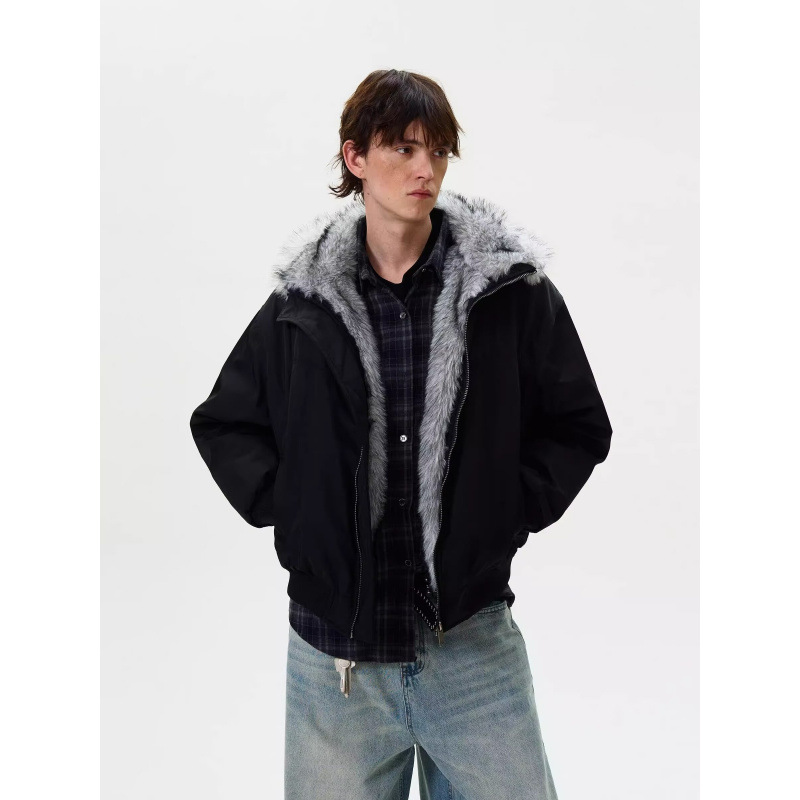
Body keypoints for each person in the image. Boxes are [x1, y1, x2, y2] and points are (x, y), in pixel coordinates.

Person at [189, 68, 612, 800]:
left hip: (472, 651)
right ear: (355, 158)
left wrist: (504, 511)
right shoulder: (302, 306)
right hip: (337, 664)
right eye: (404, 148)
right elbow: (224, 421)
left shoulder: (508, 294)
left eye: (439, 151)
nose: (426, 170)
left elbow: (577, 423)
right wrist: (301, 511)